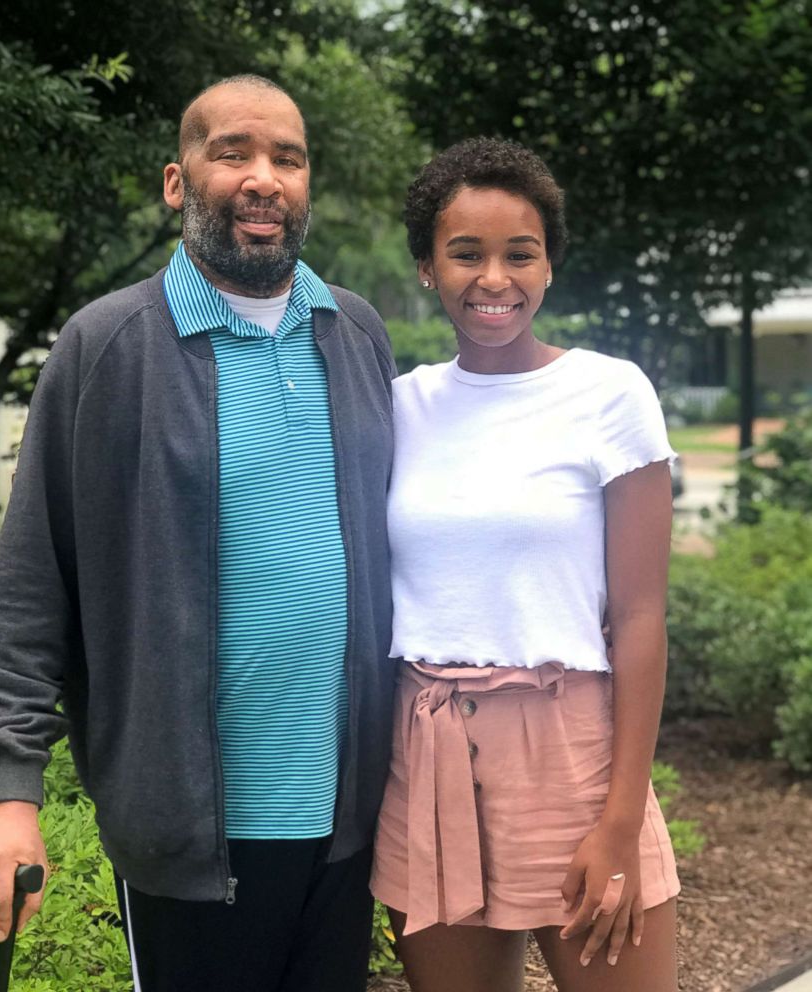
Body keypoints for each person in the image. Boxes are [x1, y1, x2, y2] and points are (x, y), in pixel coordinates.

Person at [0, 74, 396, 992]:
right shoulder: (109, 345)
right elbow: (31, 587)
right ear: (176, 180)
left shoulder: (354, 333)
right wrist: (8, 794)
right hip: (190, 839)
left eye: (288, 157)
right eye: (233, 152)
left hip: (349, 825)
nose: (263, 177)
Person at [369, 137, 681, 992]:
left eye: (520, 253)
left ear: (548, 267)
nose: (493, 278)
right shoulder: (399, 406)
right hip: (427, 750)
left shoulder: (608, 395)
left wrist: (619, 822)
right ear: (429, 268)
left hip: (572, 754)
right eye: (465, 253)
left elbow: (641, 616)